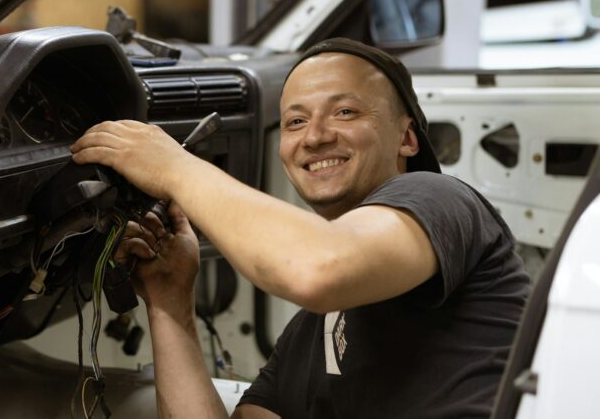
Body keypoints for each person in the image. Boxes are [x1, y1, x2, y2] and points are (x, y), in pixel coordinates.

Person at [70, 38, 531, 419]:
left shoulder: (439, 197)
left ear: (407, 138)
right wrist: (171, 302)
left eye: (346, 112)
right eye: (295, 121)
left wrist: (172, 167)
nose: (314, 137)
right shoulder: (312, 334)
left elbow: (317, 269)